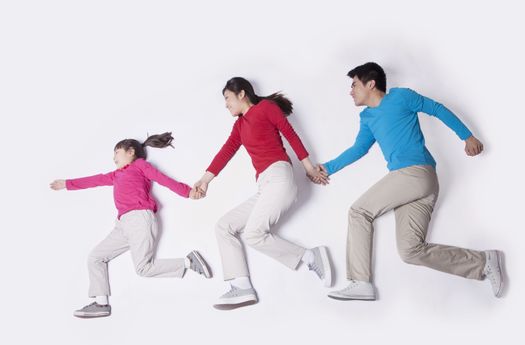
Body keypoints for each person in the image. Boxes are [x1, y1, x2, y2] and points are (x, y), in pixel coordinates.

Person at [315, 62, 503, 301]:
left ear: (370, 84)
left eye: (354, 84)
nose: (350, 91)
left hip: (415, 173)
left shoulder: (401, 97)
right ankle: (484, 261)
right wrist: (327, 168)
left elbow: (436, 108)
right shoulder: (368, 117)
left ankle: (361, 281)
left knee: (359, 212)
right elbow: (359, 149)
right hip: (416, 185)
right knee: (410, 251)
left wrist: (467, 137)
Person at [194, 77, 332, 310]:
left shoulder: (266, 108)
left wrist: (309, 167)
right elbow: (225, 152)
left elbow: (290, 134)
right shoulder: (239, 125)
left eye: (227, 98)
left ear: (241, 94)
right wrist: (205, 181)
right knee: (223, 226)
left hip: (279, 176)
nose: (226, 104)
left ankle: (310, 257)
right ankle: (241, 285)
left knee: (253, 234)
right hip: (265, 185)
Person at [50, 132, 212, 318]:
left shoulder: (140, 166)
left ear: (131, 151)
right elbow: (95, 180)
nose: (113, 158)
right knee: (95, 257)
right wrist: (67, 184)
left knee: (143, 269)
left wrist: (188, 192)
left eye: (117, 152)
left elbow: (164, 179)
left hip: (139, 219)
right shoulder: (116, 175)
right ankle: (101, 303)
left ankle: (189, 262)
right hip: (123, 225)